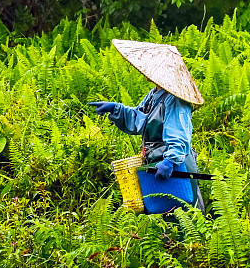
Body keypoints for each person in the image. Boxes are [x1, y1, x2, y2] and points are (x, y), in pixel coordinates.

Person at [88, 39, 206, 213]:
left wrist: (170, 160)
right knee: (161, 213)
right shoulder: (154, 94)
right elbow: (139, 118)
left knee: (184, 213)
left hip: (175, 165)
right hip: (157, 163)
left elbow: (179, 134)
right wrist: (116, 109)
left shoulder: (175, 99)